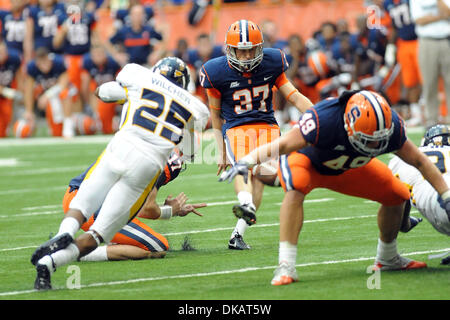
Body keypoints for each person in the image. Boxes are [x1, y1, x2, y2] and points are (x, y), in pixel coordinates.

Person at [219, 90, 450, 285]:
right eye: (369, 140)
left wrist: (446, 195)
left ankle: (388, 258)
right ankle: (286, 266)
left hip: (349, 166)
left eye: (380, 140)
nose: (376, 145)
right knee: (296, 186)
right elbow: (284, 144)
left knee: (397, 194)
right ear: (349, 125)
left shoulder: (391, 127)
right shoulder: (324, 119)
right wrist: (247, 160)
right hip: (309, 162)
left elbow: (420, 161)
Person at [31, 57, 210, 290]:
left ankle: (64, 234)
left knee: (81, 206)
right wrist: (170, 211)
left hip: (121, 148)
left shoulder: (137, 74)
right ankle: (49, 263)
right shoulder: (195, 107)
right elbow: (190, 150)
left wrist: (126, 94)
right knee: (99, 235)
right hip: (147, 164)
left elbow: (103, 92)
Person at [199, 19, 314, 250]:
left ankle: (237, 235)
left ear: (259, 47)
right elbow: (215, 115)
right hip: (236, 129)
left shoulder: (272, 63)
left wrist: (318, 116)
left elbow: (294, 96)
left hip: (267, 127)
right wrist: (221, 151)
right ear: (230, 50)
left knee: (261, 178)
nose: (245, 56)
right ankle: (244, 202)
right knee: (244, 168)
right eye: (240, 51)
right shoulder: (216, 72)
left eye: (250, 49)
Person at [62, 150, 206, 262]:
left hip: (76, 199)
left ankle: (83, 246)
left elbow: (134, 207)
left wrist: (171, 210)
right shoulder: (169, 159)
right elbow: (147, 209)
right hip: (91, 204)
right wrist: (169, 211)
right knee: (156, 247)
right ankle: (77, 251)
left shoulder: (145, 144)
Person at [389, 124, 450, 265]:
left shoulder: (401, 160)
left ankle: (386, 256)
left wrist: (405, 223)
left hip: (439, 207)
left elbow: (397, 205)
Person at [410, 0, 450, 126]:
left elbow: (448, 13)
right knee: (429, 82)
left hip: (446, 40)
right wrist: (440, 16)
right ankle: (431, 120)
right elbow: (419, 20)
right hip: (427, 41)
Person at [383, 0, 422, 126]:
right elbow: (394, 26)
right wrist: (390, 47)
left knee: (426, 79)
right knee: (409, 81)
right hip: (403, 44)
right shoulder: (388, 3)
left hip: (419, 40)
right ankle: (417, 113)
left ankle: (431, 111)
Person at [23, 46, 77, 138]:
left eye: (46, 61)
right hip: (51, 100)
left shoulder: (58, 63)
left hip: (68, 96)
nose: (44, 65)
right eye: (41, 63)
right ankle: (58, 127)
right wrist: (29, 111)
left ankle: (68, 123)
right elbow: (28, 90)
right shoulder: (32, 68)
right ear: (37, 62)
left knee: (64, 92)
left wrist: (46, 95)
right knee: (56, 133)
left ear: (49, 59)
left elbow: (63, 85)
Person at [0, 40, 23, 137]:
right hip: (5, 92)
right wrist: (8, 92)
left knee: (4, 128)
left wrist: (21, 93)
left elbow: (19, 77)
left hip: (6, 96)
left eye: (3, 52)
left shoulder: (14, 59)